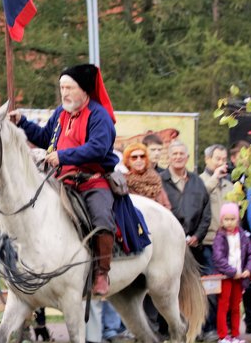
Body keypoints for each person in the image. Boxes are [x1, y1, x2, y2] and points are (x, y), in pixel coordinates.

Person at [9, 63, 118, 297]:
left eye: (70, 87)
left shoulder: (100, 116)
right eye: (62, 88)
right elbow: (44, 137)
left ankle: (101, 272)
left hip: (91, 182)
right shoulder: (61, 113)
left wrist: (63, 155)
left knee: (102, 219)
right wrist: (22, 123)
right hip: (61, 181)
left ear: (85, 89)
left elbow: (98, 148)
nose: (65, 93)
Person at [160, 140, 212, 273]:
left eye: (182, 154)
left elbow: (206, 214)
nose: (178, 157)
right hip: (166, 247)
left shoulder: (197, 182)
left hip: (193, 248)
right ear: (169, 157)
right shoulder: (159, 181)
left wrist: (197, 236)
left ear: (187, 158)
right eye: (175, 154)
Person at [212, 202, 251, 343]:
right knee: (223, 305)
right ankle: (223, 336)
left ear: (237, 219)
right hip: (226, 277)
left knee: (236, 306)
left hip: (240, 278)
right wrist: (232, 272)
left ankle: (236, 334)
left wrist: (248, 270)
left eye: (232, 219)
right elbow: (218, 258)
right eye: (226, 219)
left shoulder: (243, 235)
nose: (229, 222)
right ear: (221, 220)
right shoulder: (219, 237)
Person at [121, 142, 171, 209]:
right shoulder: (123, 182)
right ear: (127, 161)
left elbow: (166, 207)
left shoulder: (155, 179)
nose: (139, 160)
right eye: (134, 157)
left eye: (142, 157)